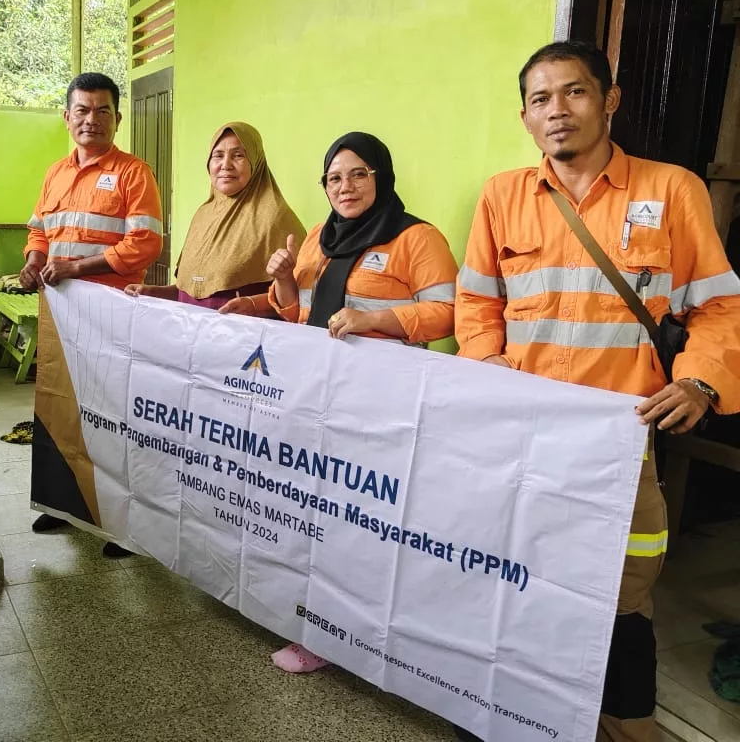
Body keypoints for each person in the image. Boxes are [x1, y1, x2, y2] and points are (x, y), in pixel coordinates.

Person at [455, 40, 740, 742]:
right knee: (513, 570)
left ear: (609, 100)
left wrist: (699, 380)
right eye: (541, 99)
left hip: (620, 439)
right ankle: (514, 710)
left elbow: (718, 307)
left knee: (622, 590)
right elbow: (476, 301)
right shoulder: (501, 196)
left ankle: (626, 719)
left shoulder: (672, 191)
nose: (558, 111)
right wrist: (485, 362)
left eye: (575, 92)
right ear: (524, 116)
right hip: (521, 433)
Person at [266, 130, 459, 673]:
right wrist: (282, 282)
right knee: (316, 512)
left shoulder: (417, 238)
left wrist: (375, 320)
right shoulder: (315, 238)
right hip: (317, 394)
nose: (344, 187)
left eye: (358, 174)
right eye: (333, 177)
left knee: (361, 521)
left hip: (382, 404)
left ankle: (355, 634)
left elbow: (448, 313)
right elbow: (297, 315)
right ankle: (319, 626)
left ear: (381, 175)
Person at [20, 72, 163, 557]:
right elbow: (40, 230)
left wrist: (77, 266)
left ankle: (127, 524)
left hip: (112, 316)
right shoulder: (55, 173)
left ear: (118, 119)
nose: (92, 120)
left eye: (103, 111)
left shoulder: (133, 174)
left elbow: (145, 242)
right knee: (61, 407)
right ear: (67, 117)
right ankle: (64, 504)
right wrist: (33, 260)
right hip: (62, 315)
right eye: (82, 110)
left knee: (115, 416)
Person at [125, 122, 305, 313]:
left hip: (243, 337)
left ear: (255, 161)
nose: (225, 165)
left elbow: (300, 298)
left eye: (238, 155)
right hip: (192, 335)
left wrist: (253, 306)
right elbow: (194, 291)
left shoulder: (274, 217)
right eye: (218, 155)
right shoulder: (203, 215)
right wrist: (155, 292)